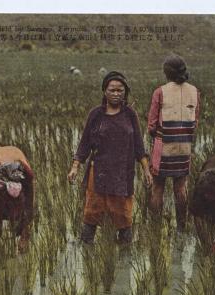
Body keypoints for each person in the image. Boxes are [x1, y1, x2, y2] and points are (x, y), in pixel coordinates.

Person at [68, 71, 152, 245]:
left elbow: (138, 145)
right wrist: (75, 166)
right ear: (104, 91)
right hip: (99, 172)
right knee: (92, 212)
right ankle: (87, 254)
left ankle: (124, 254)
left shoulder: (130, 114)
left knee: (123, 214)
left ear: (125, 92)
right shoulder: (96, 115)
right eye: (112, 90)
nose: (116, 94)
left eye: (120, 90)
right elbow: (84, 144)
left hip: (122, 173)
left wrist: (146, 169)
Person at [146, 54, 201, 232]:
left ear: (166, 72)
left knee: (157, 187)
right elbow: (195, 122)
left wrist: (156, 135)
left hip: (163, 148)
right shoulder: (194, 91)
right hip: (184, 147)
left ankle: (155, 229)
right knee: (180, 188)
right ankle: (181, 228)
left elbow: (151, 125)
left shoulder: (160, 92)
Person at [0, 146, 34, 254]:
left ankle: (22, 243)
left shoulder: (25, 174)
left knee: (26, 215)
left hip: (18, 157)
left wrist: (26, 231)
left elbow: (30, 197)